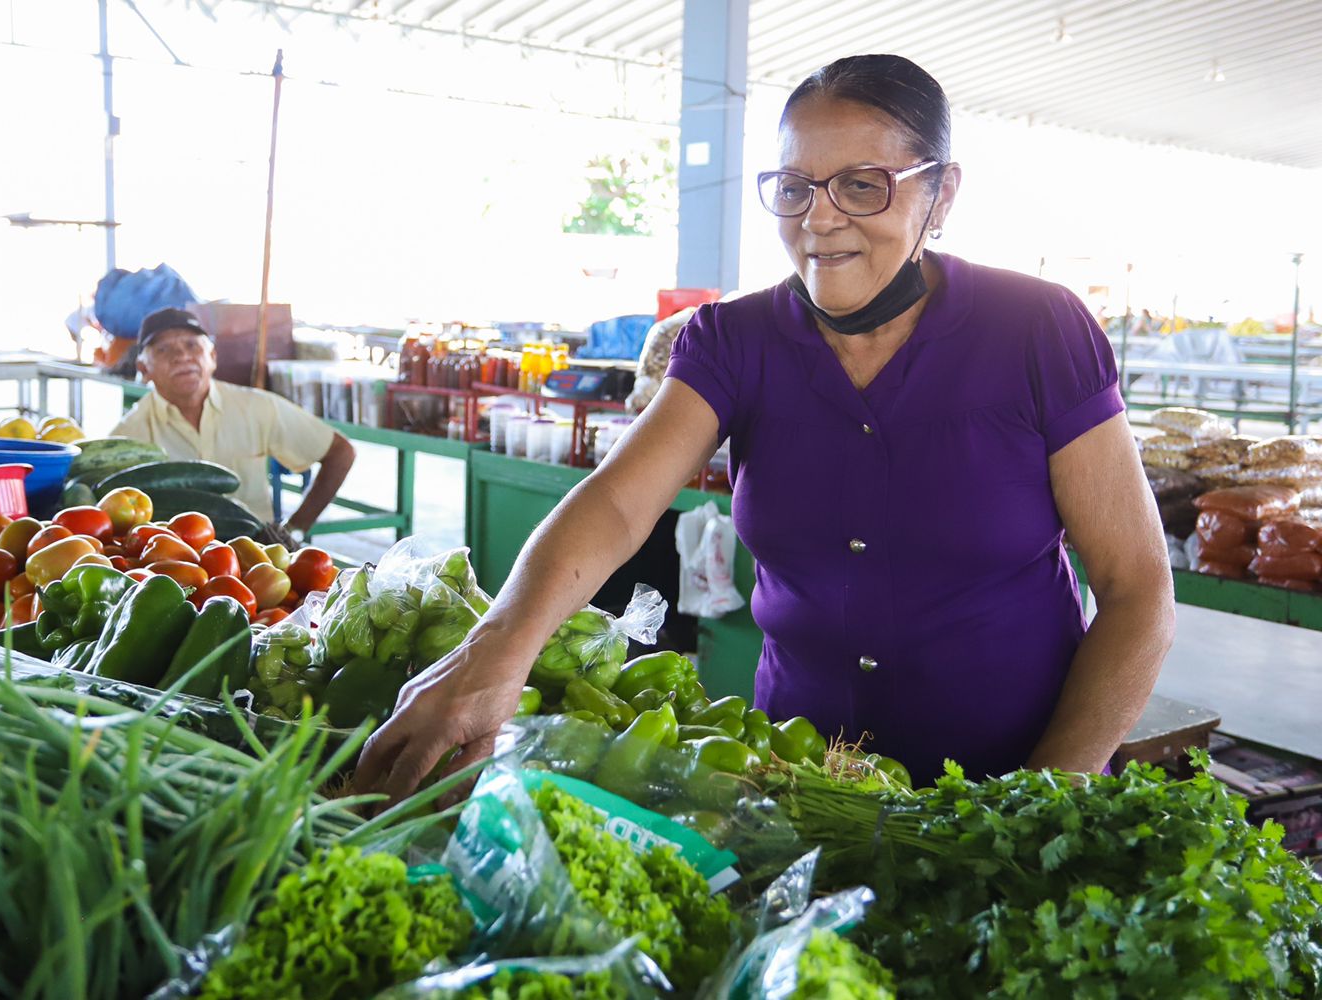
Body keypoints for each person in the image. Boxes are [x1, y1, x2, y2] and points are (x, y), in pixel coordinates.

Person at [357, 54, 1174, 801]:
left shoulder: (1036, 331)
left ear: (942, 193)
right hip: (795, 786)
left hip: (1014, 782)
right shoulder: (732, 341)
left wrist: (1041, 799)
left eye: (863, 186)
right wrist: (494, 651)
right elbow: (617, 505)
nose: (819, 220)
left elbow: (1137, 591)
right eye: (794, 187)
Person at [111, 307, 355, 540]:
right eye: (164, 349)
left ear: (212, 357)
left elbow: (340, 452)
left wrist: (294, 529)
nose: (182, 356)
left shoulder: (257, 407)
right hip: (171, 559)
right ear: (143, 368)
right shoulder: (128, 436)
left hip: (258, 553)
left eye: (192, 345)